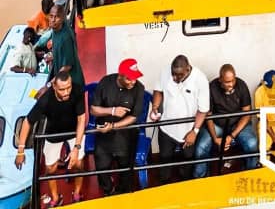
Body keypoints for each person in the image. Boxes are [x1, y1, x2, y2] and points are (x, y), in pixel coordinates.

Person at [15, 69, 86, 208]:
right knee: (50, 168)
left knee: (78, 164)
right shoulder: (45, 100)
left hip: (74, 131)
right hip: (53, 133)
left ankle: (77, 194)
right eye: (62, 89)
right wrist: (20, 150)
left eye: (68, 88)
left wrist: (76, 148)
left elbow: (81, 119)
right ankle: (55, 197)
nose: (66, 92)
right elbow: (28, 122)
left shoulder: (77, 91)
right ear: (54, 87)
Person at [91, 58, 145, 196]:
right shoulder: (105, 82)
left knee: (126, 167)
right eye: (129, 79)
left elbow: (133, 117)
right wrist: (112, 111)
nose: (133, 81)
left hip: (126, 133)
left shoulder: (139, 88)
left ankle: (123, 192)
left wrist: (114, 126)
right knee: (102, 166)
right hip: (104, 131)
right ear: (120, 75)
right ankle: (108, 191)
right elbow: (93, 110)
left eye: (135, 78)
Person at [151, 55, 209, 181]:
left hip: (188, 131)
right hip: (166, 128)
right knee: (165, 159)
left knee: (187, 161)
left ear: (188, 70)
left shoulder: (200, 80)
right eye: (173, 74)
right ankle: (164, 184)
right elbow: (158, 90)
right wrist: (155, 107)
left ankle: (184, 184)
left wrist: (195, 131)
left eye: (179, 75)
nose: (174, 78)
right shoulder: (166, 71)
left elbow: (203, 110)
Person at [195, 64, 259, 176]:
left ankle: (250, 174)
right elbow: (208, 115)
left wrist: (232, 136)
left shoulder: (241, 85)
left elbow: (246, 114)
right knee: (201, 146)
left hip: (238, 124)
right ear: (220, 80)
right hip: (218, 124)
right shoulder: (212, 87)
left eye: (232, 81)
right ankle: (200, 178)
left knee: (252, 143)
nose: (231, 85)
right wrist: (215, 138)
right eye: (227, 82)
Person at [34, 4, 85, 88]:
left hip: (71, 84)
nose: (53, 20)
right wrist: (54, 56)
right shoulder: (56, 28)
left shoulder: (65, 38)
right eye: (51, 16)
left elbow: (67, 67)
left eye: (56, 17)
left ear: (62, 18)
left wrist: (48, 85)